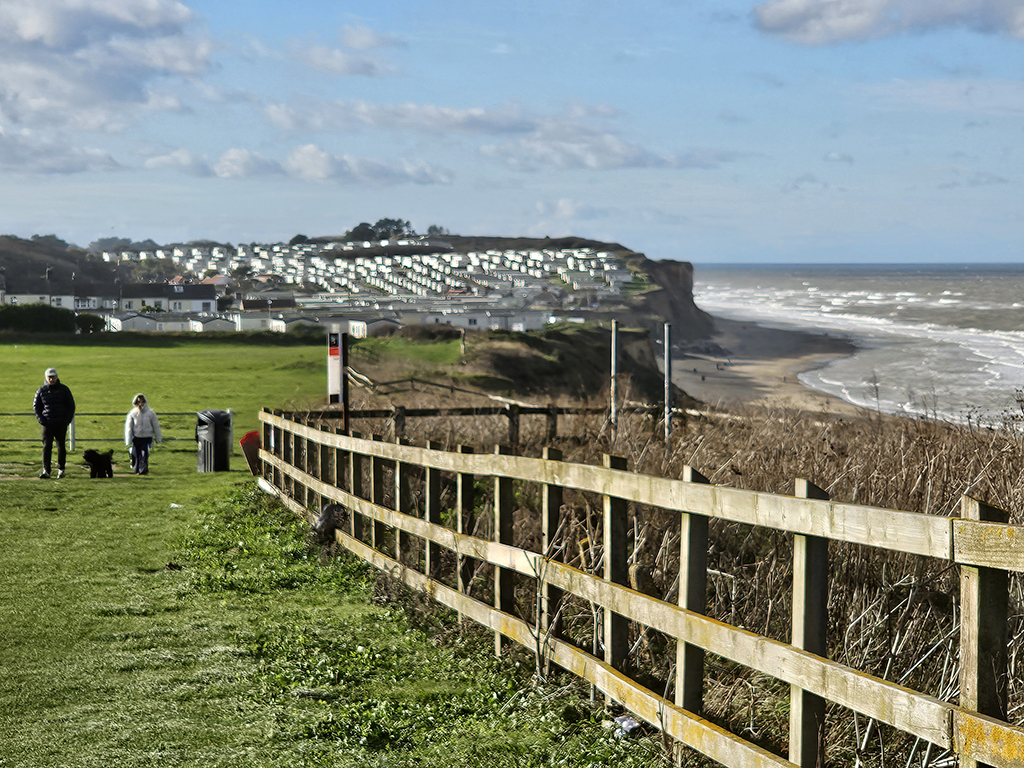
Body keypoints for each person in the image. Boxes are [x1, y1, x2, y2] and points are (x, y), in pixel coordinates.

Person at [33, 367, 75, 479]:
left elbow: (71, 405)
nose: (51, 379)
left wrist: (67, 420)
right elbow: (36, 406)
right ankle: (46, 470)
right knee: (47, 446)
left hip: (61, 422)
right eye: (49, 377)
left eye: (53, 377)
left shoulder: (64, 390)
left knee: (61, 446)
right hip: (48, 423)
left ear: (57, 377)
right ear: (46, 378)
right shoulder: (41, 391)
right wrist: (41, 419)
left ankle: (61, 469)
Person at [125, 394, 162, 475]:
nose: (141, 403)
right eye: (139, 401)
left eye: (142, 401)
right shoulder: (132, 413)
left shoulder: (150, 413)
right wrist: (129, 440)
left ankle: (143, 469)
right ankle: (137, 469)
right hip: (137, 438)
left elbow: (156, 426)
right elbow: (129, 428)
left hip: (147, 437)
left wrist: (158, 438)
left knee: (144, 454)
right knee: (136, 454)